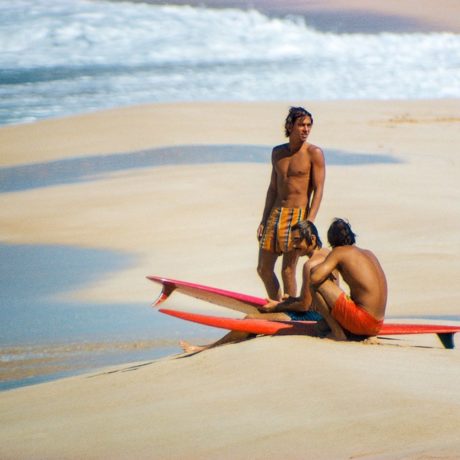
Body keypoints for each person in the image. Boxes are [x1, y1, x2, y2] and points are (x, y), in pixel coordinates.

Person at [180, 220, 327, 354]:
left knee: (249, 319)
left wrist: (278, 307)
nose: (294, 246)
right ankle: (210, 345)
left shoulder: (310, 265)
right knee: (261, 314)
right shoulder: (327, 255)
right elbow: (313, 297)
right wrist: (290, 300)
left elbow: (304, 306)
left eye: (297, 240)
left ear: (312, 239)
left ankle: (204, 349)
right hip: (324, 314)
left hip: (313, 317)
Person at [257, 106, 325, 301]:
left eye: (309, 125)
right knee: (263, 268)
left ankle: (290, 312)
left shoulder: (314, 153)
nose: (305, 129)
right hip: (275, 214)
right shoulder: (277, 153)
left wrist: (309, 221)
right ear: (290, 126)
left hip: (297, 216)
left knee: (288, 270)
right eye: (301, 125)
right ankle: (277, 304)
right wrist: (263, 219)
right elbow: (273, 188)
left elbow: (319, 189)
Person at [310, 218, 387, 341]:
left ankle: (337, 332)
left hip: (363, 321)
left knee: (315, 285)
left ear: (331, 240)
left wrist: (322, 269)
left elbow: (315, 278)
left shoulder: (339, 251)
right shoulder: (368, 253)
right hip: (378, 324)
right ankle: (344, 326)